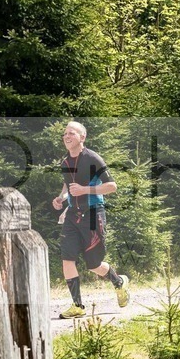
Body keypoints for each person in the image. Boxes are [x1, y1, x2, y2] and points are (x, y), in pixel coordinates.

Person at [51, 121, 130, 318]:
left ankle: (118, 281)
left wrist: (85, 190)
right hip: (72, 216)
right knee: (67, 259)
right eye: (65, 134)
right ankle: (78, 306)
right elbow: (68, 184)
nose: (66, 136)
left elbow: (112, 186)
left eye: (72, 133)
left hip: (94, 214)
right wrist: (61, 198)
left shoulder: (92, 158)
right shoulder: (65, 161)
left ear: (82, 137)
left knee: (94, 264)